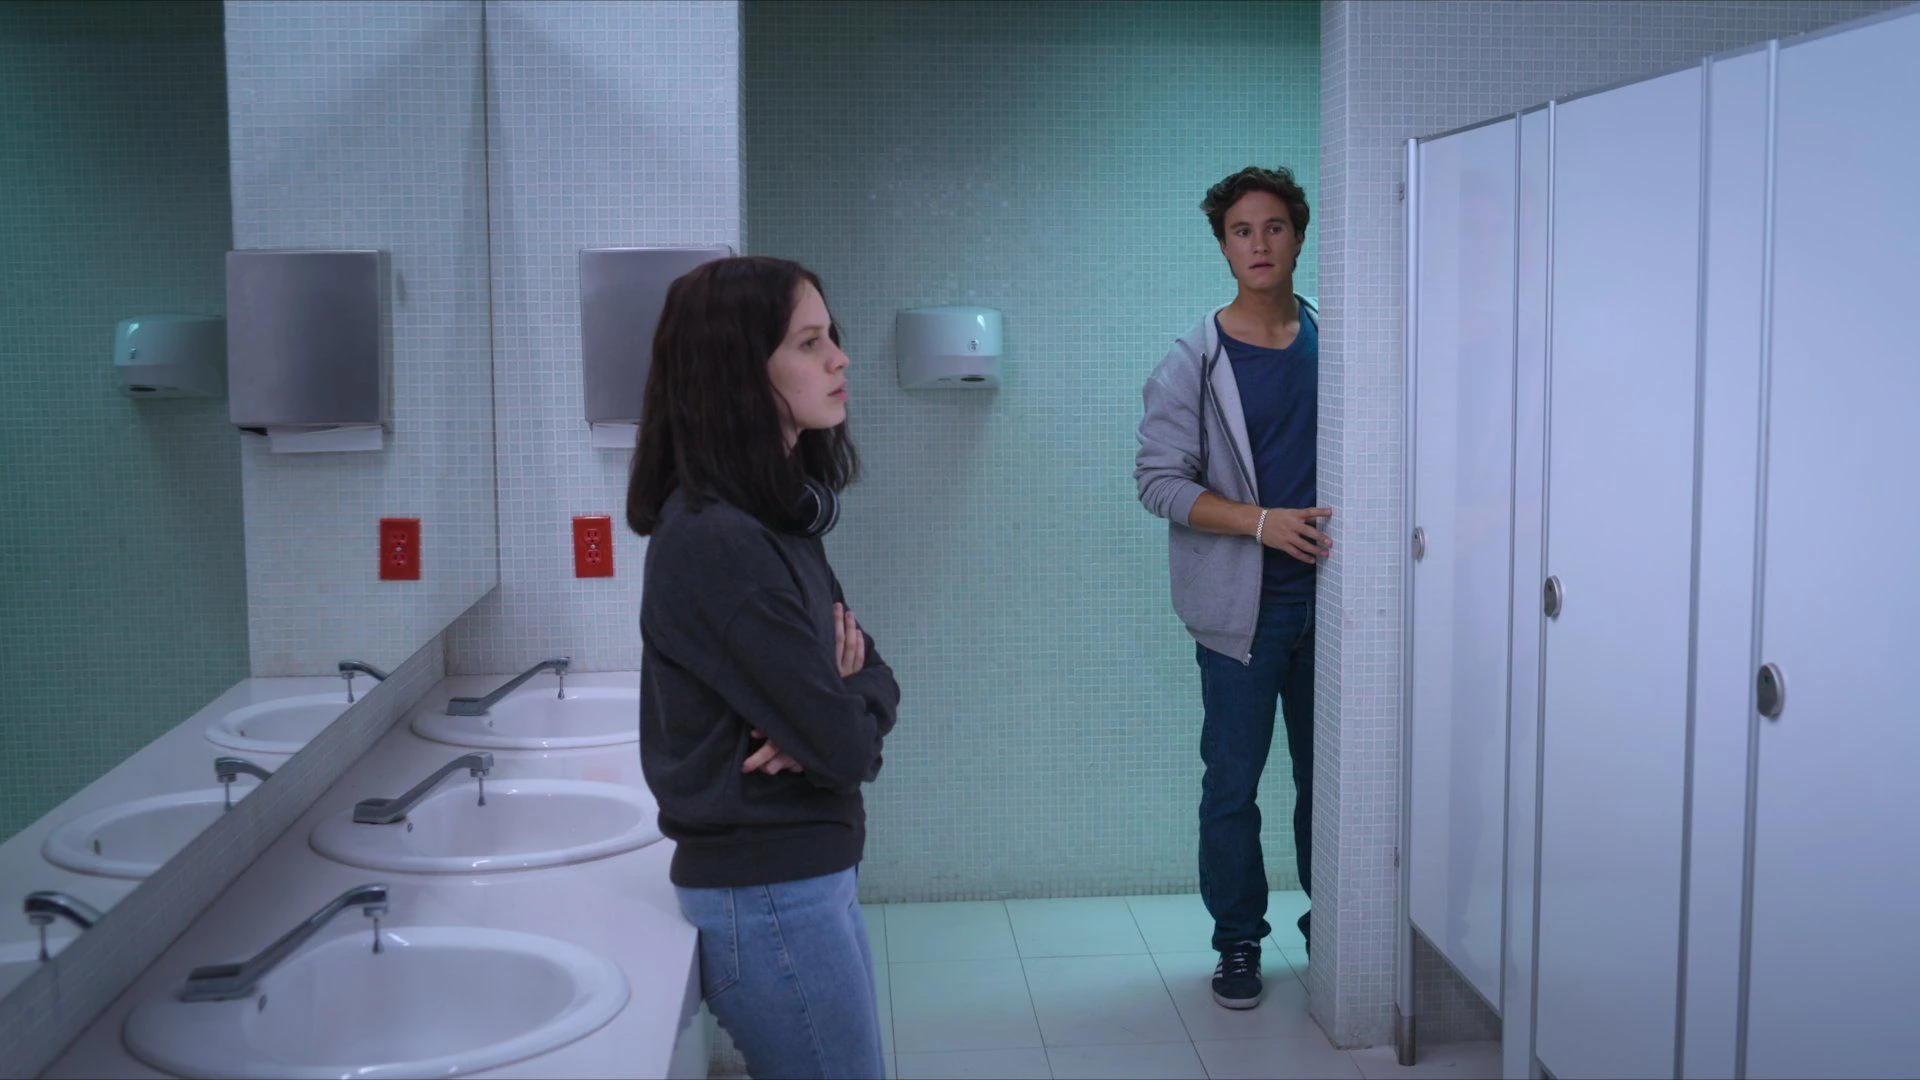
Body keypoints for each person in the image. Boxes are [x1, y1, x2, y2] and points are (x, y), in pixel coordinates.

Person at [628, 256, 900, 1079]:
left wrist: (837, 698)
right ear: (740, 374)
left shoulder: (777, 517)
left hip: (800, 876)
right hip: (770, 893)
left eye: (831, 336)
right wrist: (829, 714)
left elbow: (875, 674)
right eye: (810, 343)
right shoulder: (720, 543)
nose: (840, 358)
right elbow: (846, 750)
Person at [1134, 166, 1331, 1010]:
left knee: (1334, 784)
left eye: (1274, 227)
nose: (1259, 243)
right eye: (1242, 231)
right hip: (1240, 617)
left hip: (1338, 611)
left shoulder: (1336, 341)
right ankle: (1239, 941)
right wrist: (1260, 523)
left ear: (1299, 237)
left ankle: (1336, 924)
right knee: (1233, 786)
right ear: (1223, 246)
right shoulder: (1194, 360)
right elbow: (1158, 484)